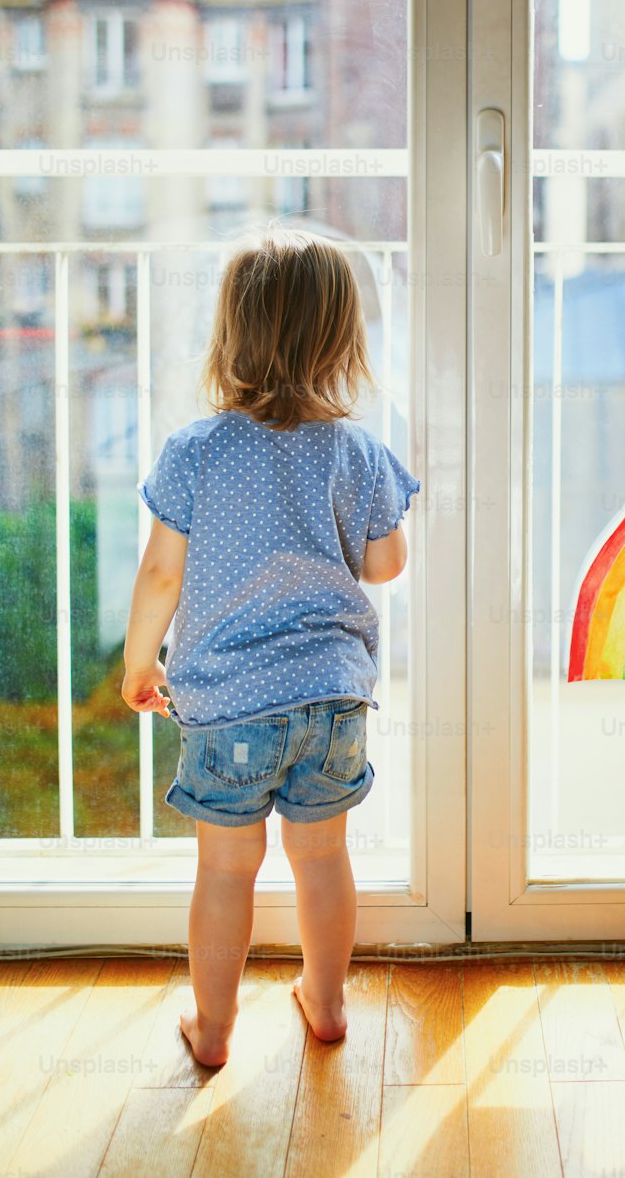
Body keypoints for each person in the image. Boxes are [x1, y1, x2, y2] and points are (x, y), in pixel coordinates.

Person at [121, 223, 419, 1068]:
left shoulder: (197, 452)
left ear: (233, 334)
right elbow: (387, 564)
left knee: (226, 871)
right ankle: (326, 1005)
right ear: (340, 339)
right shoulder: (356, 450)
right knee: (322, 859)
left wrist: (143, 664)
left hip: (226, 708)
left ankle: (212, 1031)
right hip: (331, 701)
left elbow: (159, 578)